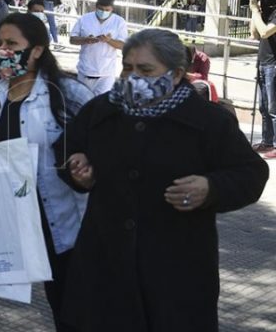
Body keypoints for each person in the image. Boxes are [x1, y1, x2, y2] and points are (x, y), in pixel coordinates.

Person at [59, 28, 268, 332]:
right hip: (105, 266)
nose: (133, 78)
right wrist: (76, 169)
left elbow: (251, 173)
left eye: (145, 70)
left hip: (176, 273)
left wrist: (211, 188)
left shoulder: (208, 121)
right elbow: (66, 148)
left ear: (176, 74)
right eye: (127, 68)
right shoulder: (102, 110)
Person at [0, 13, 93, 332]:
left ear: (38, 50)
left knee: (68, 315)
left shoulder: (68, 94)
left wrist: (86, 167)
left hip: (57, 228)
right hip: (3, 225)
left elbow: (102, 144)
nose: (2, 50)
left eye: (12, 44)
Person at [70, 0, 128, 95]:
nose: (103, 12)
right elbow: (72, 39)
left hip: (106, 74)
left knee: (101, 106)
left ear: (112, 9)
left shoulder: (119, 22)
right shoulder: (85, 19)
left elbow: (123, 45)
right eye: (101, 9)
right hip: (85, 71)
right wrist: (85, 40)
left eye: (107, 10)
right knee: (83, 103)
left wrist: (109, 41)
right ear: (96, 6)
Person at [249, 0, 276, 154]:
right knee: (263, 106)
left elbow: (266, 32)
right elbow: (255, 33)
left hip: (274, 65)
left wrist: (255, 11)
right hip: (263, 63)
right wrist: (255, 10)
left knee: (274, 108)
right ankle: (267, 141)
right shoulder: (266, 12)